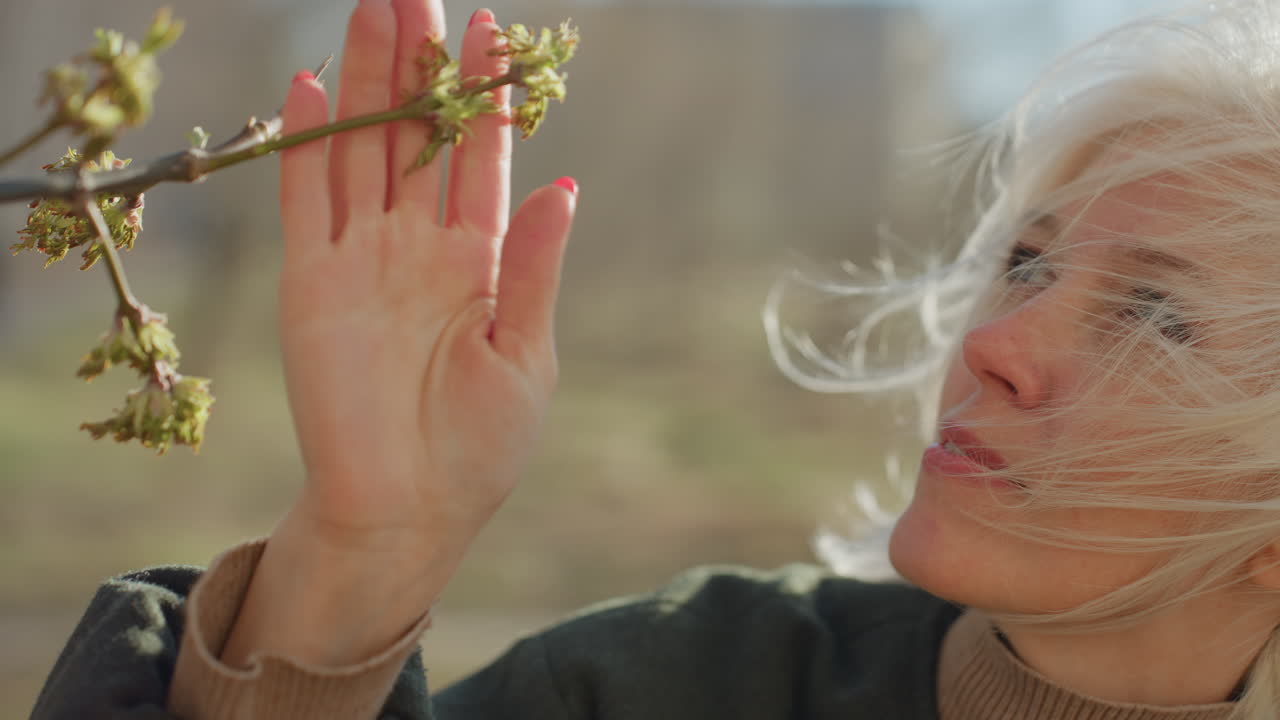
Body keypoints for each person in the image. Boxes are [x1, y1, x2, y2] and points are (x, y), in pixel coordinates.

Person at [26, 0, 1280, 718]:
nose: (997, 344)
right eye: (1029, 264)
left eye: (1154, 320)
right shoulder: (676, 688)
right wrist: (362, 549)